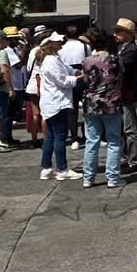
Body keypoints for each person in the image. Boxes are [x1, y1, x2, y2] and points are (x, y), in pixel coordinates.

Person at [81, 28, 124, 188]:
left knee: (92, 141)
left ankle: (88, 178)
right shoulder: (115, 59)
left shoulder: (86, 61)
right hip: (111, 102)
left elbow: (85, 80)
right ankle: (113, 178)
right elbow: (120, 77)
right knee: (114, 141)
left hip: (91, 104)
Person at [37, 32, 83, 181]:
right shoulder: (50, 61)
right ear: (50, 44)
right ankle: (62, 169)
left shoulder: (54, 58)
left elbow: (66, 69)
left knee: (50, 136)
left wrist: (75, 71)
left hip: (54, 102)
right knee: (60, 136)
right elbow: (62, 80)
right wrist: (78, 78)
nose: (61, 43)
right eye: (57, 42)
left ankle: (46, 167)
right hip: (57, 102)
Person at [114, 18, 137, 172]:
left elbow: (120, 67)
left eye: (119, 31)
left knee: (129, 129)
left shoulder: (132, 50)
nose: (116, 34)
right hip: (121, 92)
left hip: (128, 93)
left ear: (128, 34)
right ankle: (126, 156)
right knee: (122, 129)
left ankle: (134, 159)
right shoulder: (121, 48)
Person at [59, 25, 89, 150]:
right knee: (87, 107)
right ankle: (88, 134)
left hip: (68, 79)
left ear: (65, 35)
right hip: (82, 77)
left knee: (72, 110)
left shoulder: (61, 49)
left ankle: (74, 138)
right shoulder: (85, 47)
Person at [23, 27, 50, 150]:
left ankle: (34, 139)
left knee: (35, 114)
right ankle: (46, 139)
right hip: (44, 85)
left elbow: (28, 68)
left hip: (32, 85)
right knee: (45, 114)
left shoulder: (33, 51)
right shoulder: (48, 52)